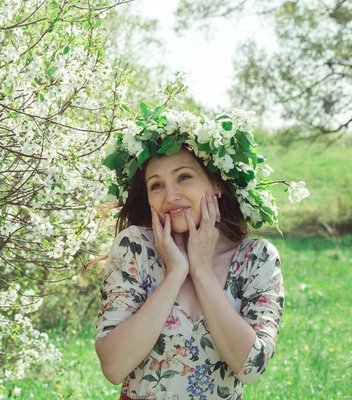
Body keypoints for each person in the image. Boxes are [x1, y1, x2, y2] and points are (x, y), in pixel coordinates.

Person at [95, 106, 306, 400]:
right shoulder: (135, 247)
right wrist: (175, 275)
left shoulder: (256, 259)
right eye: (157, 185)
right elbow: (114, 367)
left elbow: (250, 368)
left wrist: (202, 271)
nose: (171, 196)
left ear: (217, 183)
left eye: (184, 177)